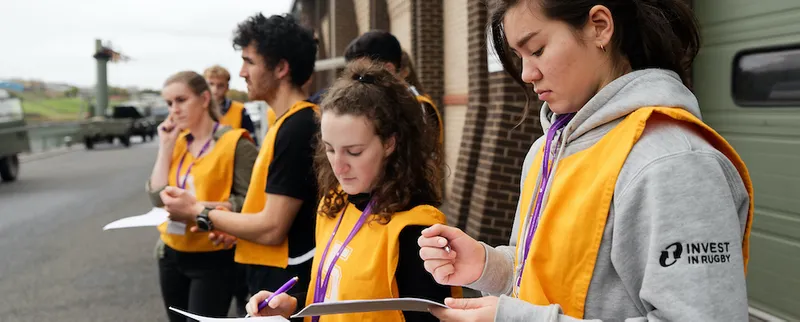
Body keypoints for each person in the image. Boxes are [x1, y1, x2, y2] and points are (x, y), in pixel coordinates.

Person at [418, 0, 755, 321]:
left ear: (599, 27)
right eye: (519, 56)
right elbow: (541, 274)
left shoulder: (674, 162)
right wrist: (486, 265)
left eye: (537, 50)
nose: (526, 74)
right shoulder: (545, 151)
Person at [244, 59, 460, 322]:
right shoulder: (333, 205)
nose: (339, 166)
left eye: (354, 152)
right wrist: (292, 306)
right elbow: (336, 297)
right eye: (330, 149)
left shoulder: (415, 230)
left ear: (390, 143)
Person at [160, 13, 319, 321]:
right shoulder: (286, 122)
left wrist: (199, 212)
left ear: (281, 68)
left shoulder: (297, 127)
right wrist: (230, 222)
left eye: (249, 61)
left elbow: (273, 228)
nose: (242, 71)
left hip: (284, 277)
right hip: (275, 273)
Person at [147, 71, 258, 321]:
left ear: (204, 99)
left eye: (181, 100)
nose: (174, 109)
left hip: (213, 256)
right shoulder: (176, 142)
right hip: (171, 252)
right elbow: (156, 198)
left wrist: (199, 207)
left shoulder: (235, 143)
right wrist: (165, 146)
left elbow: (252, 202)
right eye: (169, 103)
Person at [343, 30, 443, 144]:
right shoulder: (373, 103)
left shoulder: (416, 107)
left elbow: (424, 157)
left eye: (363, 74)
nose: (355, 82)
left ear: (389, 69)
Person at [203, 65, 259, 144]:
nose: (215, 89)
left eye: (220, 85)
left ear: (227, 87)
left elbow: (252, 142)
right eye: (211, 84)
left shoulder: (240, 110)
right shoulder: (196, 111)